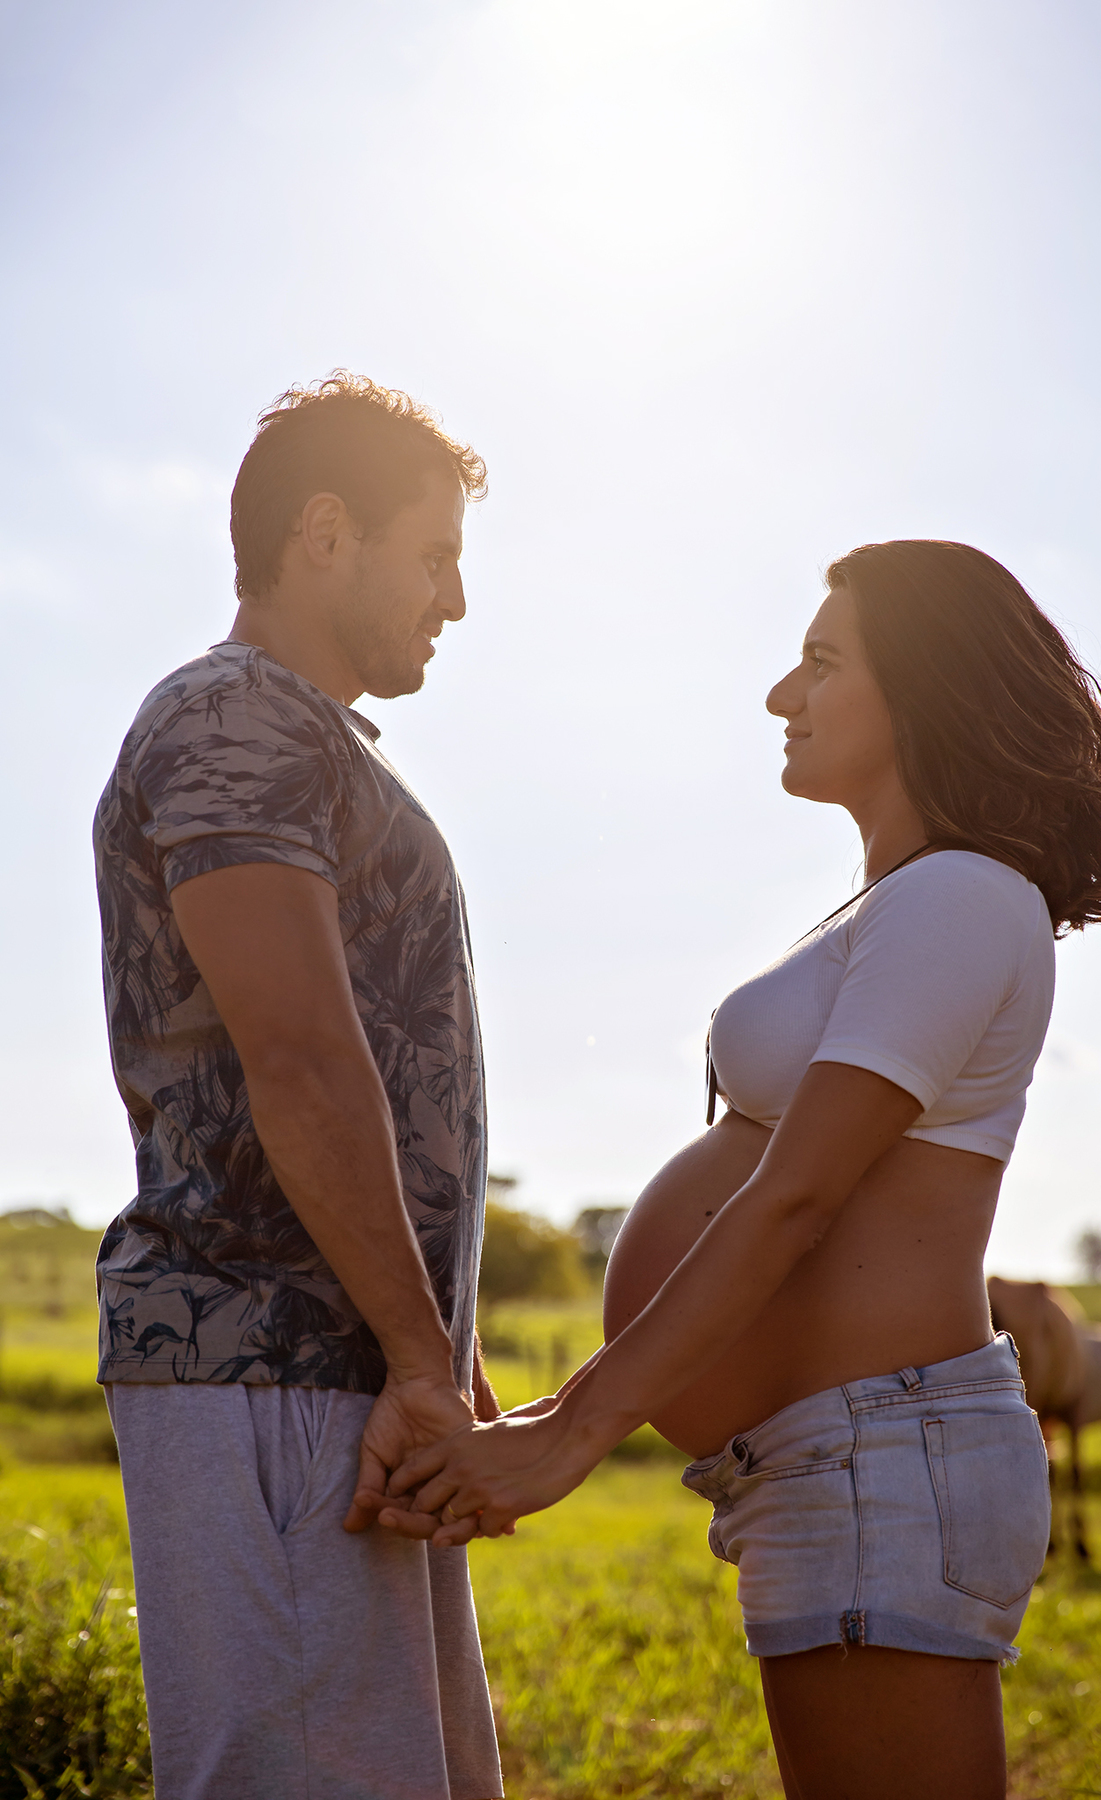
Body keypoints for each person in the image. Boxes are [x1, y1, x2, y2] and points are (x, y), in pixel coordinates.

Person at [380, 540, 1101, 1800]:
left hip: (888, 1459)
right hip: (838, 1458)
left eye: (823, 662)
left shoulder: (961, 898)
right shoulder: (904, 903)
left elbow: (795, 1198)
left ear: (926, 692)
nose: (783, 695)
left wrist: (573, 1431)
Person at [93, 373, 504, 1800]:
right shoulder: (231, 720)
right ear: (328, 532)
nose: (453, 600)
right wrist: (410, 1353)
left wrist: (434, 1343)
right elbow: (305, 1060)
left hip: (339, 1371)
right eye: (435, 555)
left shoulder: (298, 737)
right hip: (268, 1358)